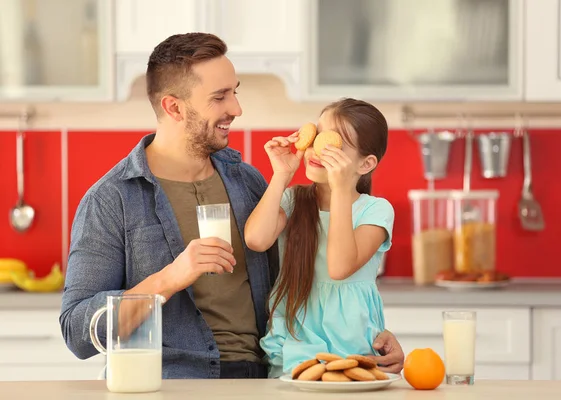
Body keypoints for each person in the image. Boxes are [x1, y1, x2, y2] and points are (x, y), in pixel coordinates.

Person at [59, 32, 404, 379]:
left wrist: (366, 340)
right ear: (173, 107)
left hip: (265, 376)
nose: (236, 109)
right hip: (168, 381)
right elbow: (78, 333)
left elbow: (306, 278)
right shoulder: (111, 199)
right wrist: (168, 279)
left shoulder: (248, 182)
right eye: (219, 97)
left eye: (234, 92)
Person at [244, 98, 396, 378]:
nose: (317, 149)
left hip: (352, 342)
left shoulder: (376, 210)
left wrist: (340, 190)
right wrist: (281, 174)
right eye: (318, 135)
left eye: (336, 144)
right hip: (294, 340)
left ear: (366, 164)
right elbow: (256, 239)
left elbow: (339, 267)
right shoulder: (294, 200)